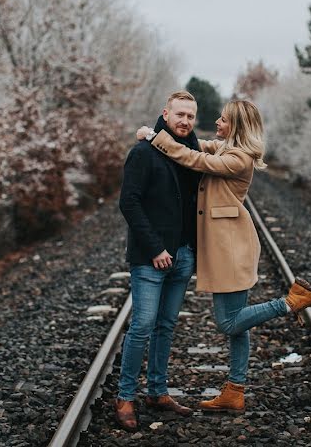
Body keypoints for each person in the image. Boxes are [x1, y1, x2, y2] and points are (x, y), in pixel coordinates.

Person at [136, 99, 311, 413]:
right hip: (227, 245)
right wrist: (171, 131)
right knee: (238, 325)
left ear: (237, 127)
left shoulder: (238, 159)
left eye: (224, 119)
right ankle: (234, 391)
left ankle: (292, 301)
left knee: (229, 323)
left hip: (230, 249)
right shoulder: (227, 149)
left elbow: (193, 158)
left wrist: (156, 139)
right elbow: (198, 144)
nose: (217, 121)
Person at [114, 90, 202, 430]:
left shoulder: (191, 154)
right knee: (142, 327)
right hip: (151, 258)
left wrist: (189, 251)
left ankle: (157, 391)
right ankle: (125, 397)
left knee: (166, 326)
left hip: (182, 256)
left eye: (190, 116)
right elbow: (129, 203)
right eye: (179, 114)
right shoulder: (142, 154)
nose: (185, 121)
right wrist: (155, 248)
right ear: (165, 114)